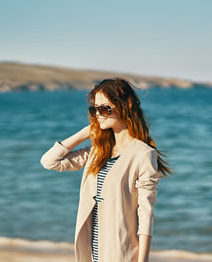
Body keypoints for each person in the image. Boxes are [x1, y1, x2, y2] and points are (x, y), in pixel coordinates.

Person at [40, 78, 172, 262]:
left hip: (121, 253)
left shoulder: (143, 154)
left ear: (125, 106)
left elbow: (146, 214)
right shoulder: (98, 151)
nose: (98, 114)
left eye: (104, 109)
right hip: (91, 253)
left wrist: (143, 260)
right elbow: (49, 161)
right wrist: (85, 132)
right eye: (94, 109)